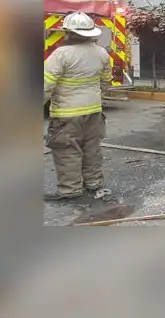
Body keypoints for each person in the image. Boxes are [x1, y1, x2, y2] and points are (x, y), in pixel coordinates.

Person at [43, 12, 114, 201]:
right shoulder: (101, 53)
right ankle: (93, 183)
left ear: (67, 32)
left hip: (66, 114)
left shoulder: (61, 54)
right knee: (92, 148)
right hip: (93, 112)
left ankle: (70, 189)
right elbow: (106, 82)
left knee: (67, 150)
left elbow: (45, 85)